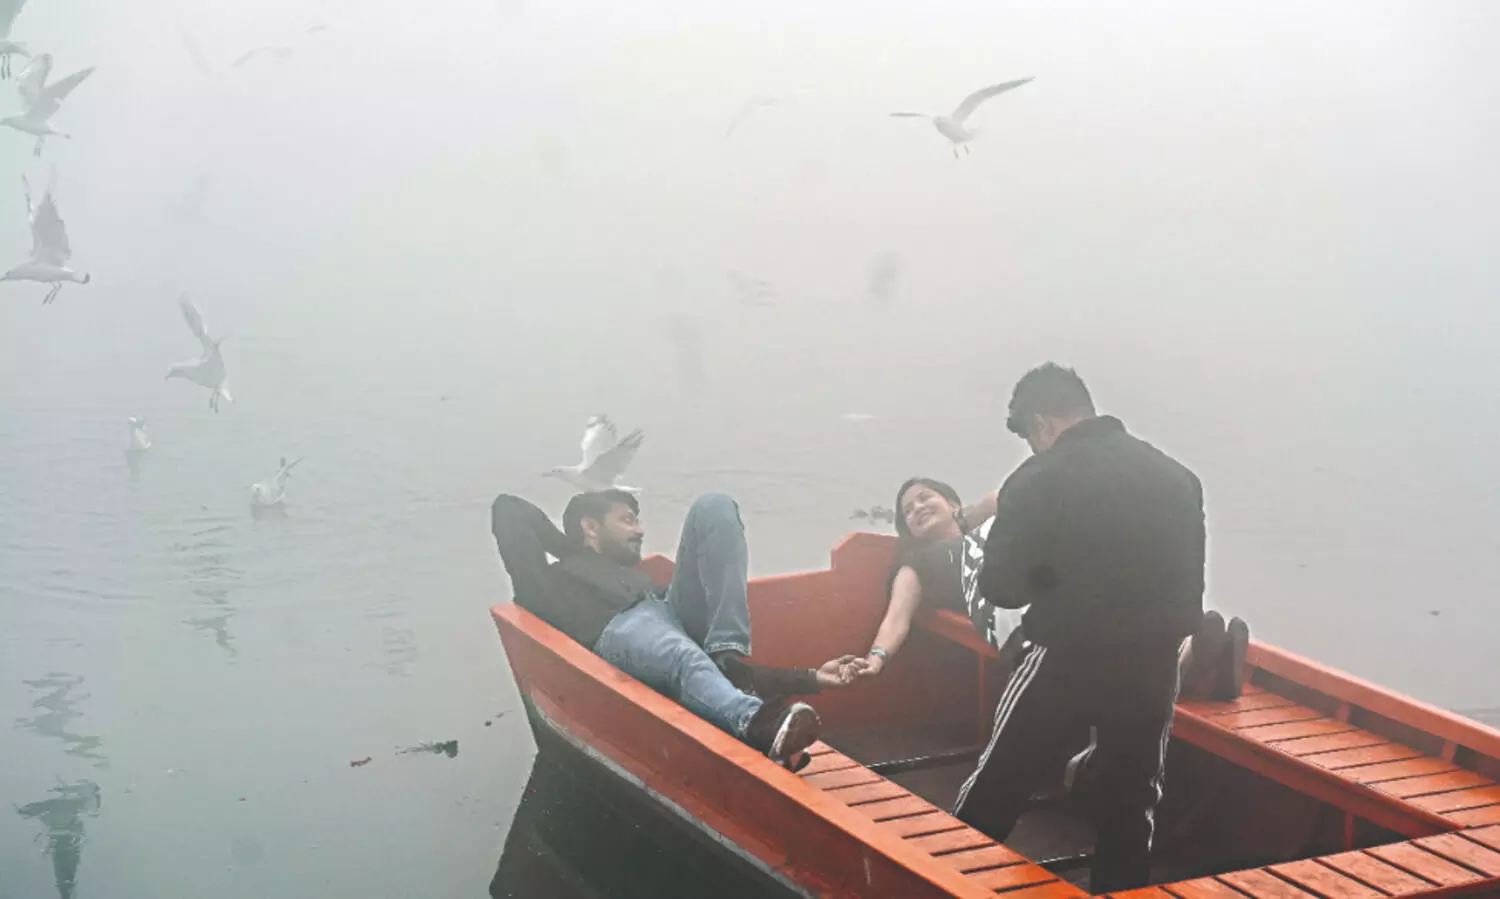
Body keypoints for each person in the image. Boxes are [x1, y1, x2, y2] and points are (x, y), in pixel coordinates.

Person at [949, 363, 1209, 893]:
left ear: (1042, 424)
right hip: (1153, 661)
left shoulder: (1036, 480)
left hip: (1066, 656)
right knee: (1132, 802)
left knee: (1000, 780)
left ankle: (941, 881)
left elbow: (1003, 589)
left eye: (1030, 439)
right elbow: (1189, 592)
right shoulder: (1178, 477)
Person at [491, 489, 855, 769]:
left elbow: (704, 669)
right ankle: (757, 724)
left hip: (667, 608)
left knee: (713, 507)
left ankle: (728, 650)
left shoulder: (637, 578)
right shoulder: (548, 582)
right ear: (591, 526)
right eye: (628, 520)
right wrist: (572, 549)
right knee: (681, 655)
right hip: (615, 631)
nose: (640, 530)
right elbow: (508, 509)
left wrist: (811, 678)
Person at [852, 476, 1247, 703]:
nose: (918, 508)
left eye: (925, 497)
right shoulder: (919, 562)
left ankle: (1200, 662)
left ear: (952, 501)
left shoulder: (991, 521)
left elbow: (1015, 495)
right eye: (908, 511)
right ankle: (1191, 665)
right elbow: (896, 618)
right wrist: (876, 659)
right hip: (1011, 610)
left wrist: (969, 515)